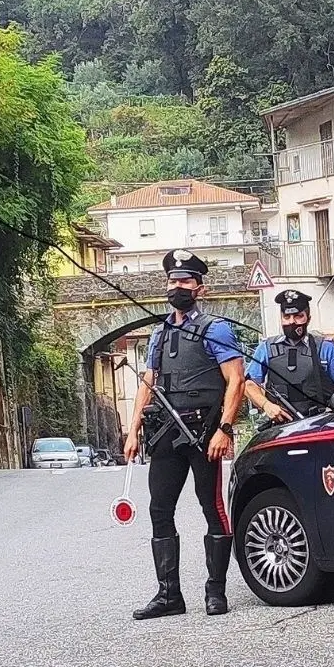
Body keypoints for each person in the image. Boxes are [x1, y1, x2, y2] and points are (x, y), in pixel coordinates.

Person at [122, 249, 245, 620]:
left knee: (212, 508)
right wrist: (132, 430)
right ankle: (169, 596)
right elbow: (148, 382)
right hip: (165, 434)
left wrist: (225, 429)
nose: (178, 287)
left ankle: (215, 591)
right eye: (174, 281)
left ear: (200, 288)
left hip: (205, 431)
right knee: (159, 509)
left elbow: (236, 380)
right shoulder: (159, 333)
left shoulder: (216, 329)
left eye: (185, 281)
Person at [244, 289, 334, 421]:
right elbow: (249, 385)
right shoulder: (266, 348)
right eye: (287, 317)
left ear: (308, 318)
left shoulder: (326, 347)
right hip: (281, 426)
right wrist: (267, 405)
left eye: (298, 316)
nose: (292, 322)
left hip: (320, 424)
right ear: (281, 318)